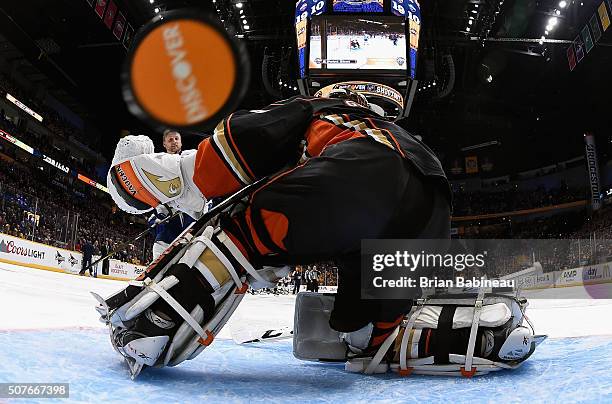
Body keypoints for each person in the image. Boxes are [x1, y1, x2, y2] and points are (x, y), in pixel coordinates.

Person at [98, 92, 540, 378]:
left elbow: (227, 155)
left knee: (240, 229)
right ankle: (465, 334)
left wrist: (149, 175)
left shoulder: (321, 111)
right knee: (371, 339)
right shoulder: (407, 136)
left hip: (358, 177)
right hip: (435, 211)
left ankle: (151, 326)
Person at [148, 129, 195, 260]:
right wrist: (158, 215)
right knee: (158, 266)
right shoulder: (157, 164)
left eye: (176, 139)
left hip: (190, 223)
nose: (174, 142)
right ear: (164, 144)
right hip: (168, 228)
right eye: (170, 140)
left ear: (181, 142)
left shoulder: (190, 158)